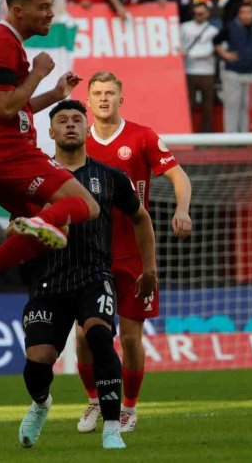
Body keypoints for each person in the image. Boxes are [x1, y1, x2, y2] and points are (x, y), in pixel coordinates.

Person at [0, 0, 100, 327]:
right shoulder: (3, 44)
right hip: (8, 153)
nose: (50, 13)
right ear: (18, 10)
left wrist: (55, 94)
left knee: (51, 234)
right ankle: (33, 223)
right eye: (43, 7)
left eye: (52, 5)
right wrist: (40, 72)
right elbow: (3, 108)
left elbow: (14, 106)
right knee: (85, 205)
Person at [16, 100, 157, 452]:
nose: (70, 125)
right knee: (39, 359)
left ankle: (112, 426)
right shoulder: (32, 180)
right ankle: (41, 403)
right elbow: (15, 228)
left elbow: (141, 217)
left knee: (99, 336)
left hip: (94, 275)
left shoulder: (110, 177)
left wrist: (149, 267)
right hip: (48, 281)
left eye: (77, 119)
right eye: (61, 120)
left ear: (85, 127)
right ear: (50, 131)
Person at [74, 71, 192, 434]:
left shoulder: (142, 137)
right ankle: (94, 401)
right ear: (89, 101)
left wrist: (182, 208)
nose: (104, 98)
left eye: (110, 93)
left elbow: (179, 176)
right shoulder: (77, 142)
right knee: (83, 336)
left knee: (129, 337)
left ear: (120, 98)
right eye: (97, 93)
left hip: (134, 254)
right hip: (90, 255)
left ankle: (129, 408)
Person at [213, 3, 252, 132]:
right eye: (243, 12)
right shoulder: (230, 27)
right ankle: (231, 138)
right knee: (232, 106)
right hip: (233, 72)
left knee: (248, 107)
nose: (246, 15)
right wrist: (225, 54)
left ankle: (245, 136)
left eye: (249, 12)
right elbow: (216, 41)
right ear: (239, 14)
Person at [180, 2, 220, 132]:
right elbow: (177, 45)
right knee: (187, 106)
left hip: (207, 72)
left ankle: (206, 134)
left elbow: (210, 50)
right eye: (195, 13)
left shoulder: (213, 30)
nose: (198, 16)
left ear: (207, 14)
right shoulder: (184, 27)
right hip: (188, 71)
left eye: (201, 13)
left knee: (207, 106)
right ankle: (187, 133)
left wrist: (188, 53)